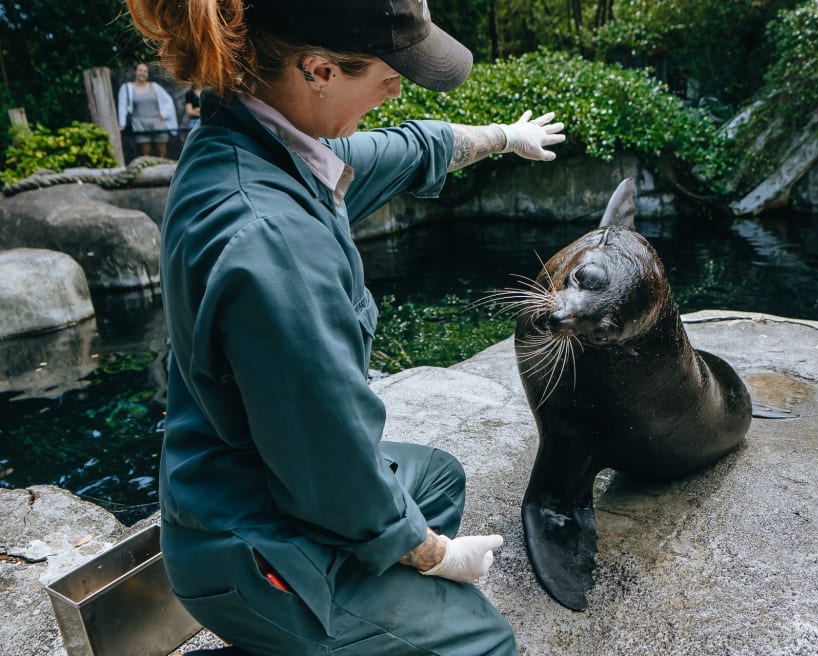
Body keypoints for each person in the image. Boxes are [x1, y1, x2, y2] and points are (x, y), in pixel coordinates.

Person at [124, 0, 565, 654]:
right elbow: (336, 477)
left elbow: (413, 147)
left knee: (437, 477)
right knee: (486, 641)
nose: (400, 86)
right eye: (390, 71)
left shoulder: (261, 141)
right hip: (249, 546)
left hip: (250, 488)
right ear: (319, 71)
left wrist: (504, 135)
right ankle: (316, 620)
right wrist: (434, 555)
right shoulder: (271, 238)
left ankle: (351, 622)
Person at [117, 62, 178, 158]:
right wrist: (122, 124)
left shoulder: (154, 86)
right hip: (139, 124)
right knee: (144, 156)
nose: (143, 73)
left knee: (162, 155)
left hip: (157, 122)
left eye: (145, 71)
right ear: (135, 72)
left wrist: (164, 113)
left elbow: (168, 101)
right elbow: (122, 106)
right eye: (140, 70)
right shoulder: (127, 88)